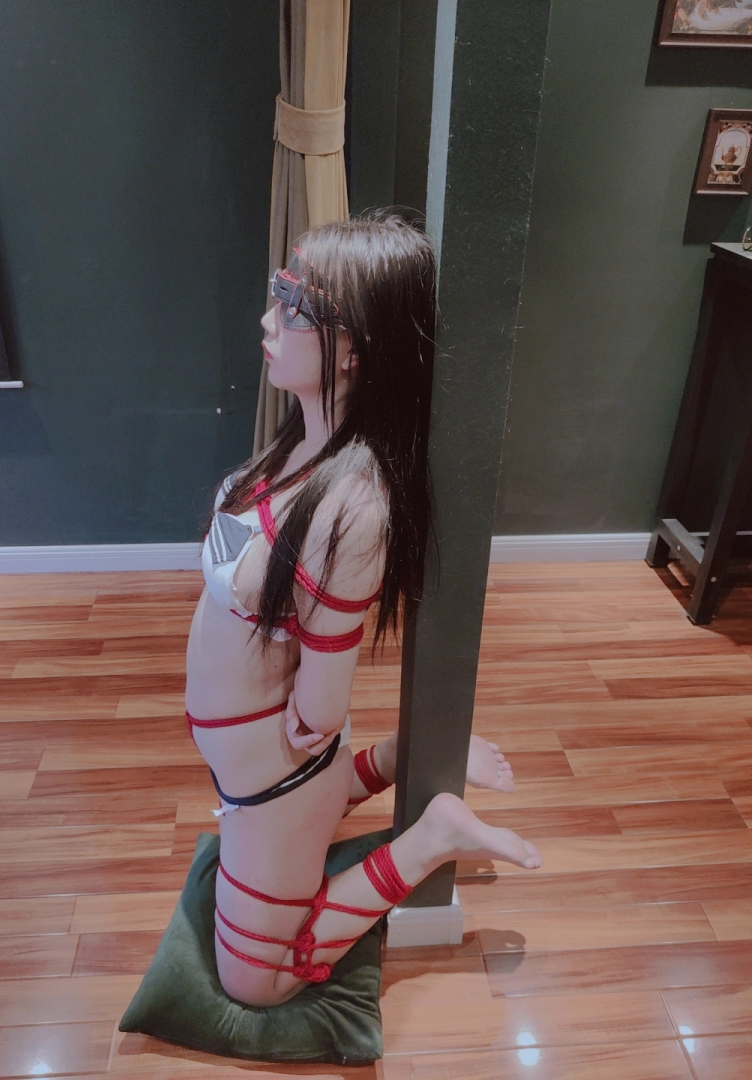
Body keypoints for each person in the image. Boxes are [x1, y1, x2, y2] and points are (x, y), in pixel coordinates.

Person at [184, 213, 541, 1008]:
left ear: (354, 349)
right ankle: (395, 759)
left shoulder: (355, 506)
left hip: (275, 786)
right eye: (277, 293)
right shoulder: (296, 448)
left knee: (256, 986)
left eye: (292, 305)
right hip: (259, 780)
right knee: (301, 818)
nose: (268, 321)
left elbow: (320, 708)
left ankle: (432, 838)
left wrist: (285, 772)